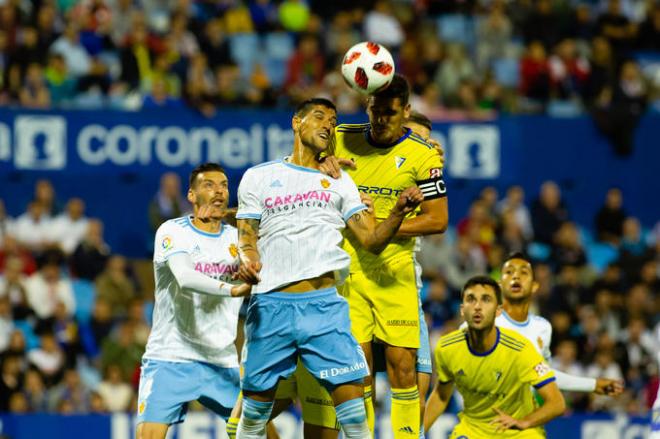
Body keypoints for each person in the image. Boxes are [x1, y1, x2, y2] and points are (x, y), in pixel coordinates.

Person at [234, 97, 423, 439]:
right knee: (251, 420)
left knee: (355, 422)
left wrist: (396, 212)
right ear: (297, 122)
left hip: (326, 310)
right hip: (272, 306)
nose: (327, 125)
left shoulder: (340, 181)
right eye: (318, 117)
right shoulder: (259, 177)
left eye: (333, 121)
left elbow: (372, 239)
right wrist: (247, 258)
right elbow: (246, 233)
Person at [330, 75, 448, 438]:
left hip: (395, 271)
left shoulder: (423, 154)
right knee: (358, 367)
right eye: (376, 111)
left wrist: (380, 227)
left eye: (391, 113)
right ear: (367, 107)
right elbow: (299, 165)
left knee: (402, 366)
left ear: (406, 111)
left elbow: (438, 219)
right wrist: (320, 165)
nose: (381, 119)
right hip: (348, 269)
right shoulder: (341, 138)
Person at [424, 252, 625, 430]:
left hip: (520, 419)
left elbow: (543, 374)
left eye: (523, 272)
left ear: (535, 286)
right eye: (509, 272)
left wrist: (591, 384)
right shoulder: (477, 325)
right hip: (479, 419)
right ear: (500, 285)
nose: (516, 276)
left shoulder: (543, 328)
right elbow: (450, 380)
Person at [136, 163, 251, 439]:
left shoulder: (239, 240)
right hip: (170, 355)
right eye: (208, 185)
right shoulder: (172, 231)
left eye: (223, 185)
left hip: (220, 360)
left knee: (265, 433)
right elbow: (185, 277)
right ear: (191, 195)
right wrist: (233, 290)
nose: (219, 191)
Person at [426, 275, 566, 437]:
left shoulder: (520, 349)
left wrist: (524, 422)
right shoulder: (446, 347)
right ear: (462, 309)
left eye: (486, 300)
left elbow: (557, 403)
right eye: (471, 299)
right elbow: (441, 396)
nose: (478, 306)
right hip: (473, 430)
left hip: (518, 432)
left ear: (498, 310)